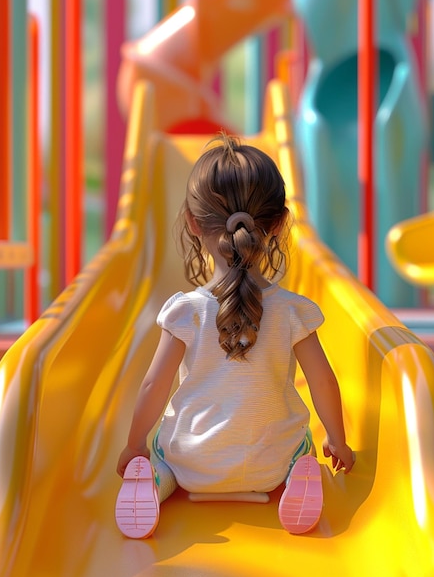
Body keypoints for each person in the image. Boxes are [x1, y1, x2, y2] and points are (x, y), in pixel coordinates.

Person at [115, 134, 355, 539]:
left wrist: (135, 443)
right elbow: (322, 380)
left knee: (163, 453)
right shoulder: (294, 311)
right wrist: (337, 440)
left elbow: (155, 384)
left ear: (193, 223)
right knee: (303, 445)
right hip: (269, 463)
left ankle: (157, 480)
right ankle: (299, 472)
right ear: (277, 224)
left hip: (192, 463)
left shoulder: (185, 311)